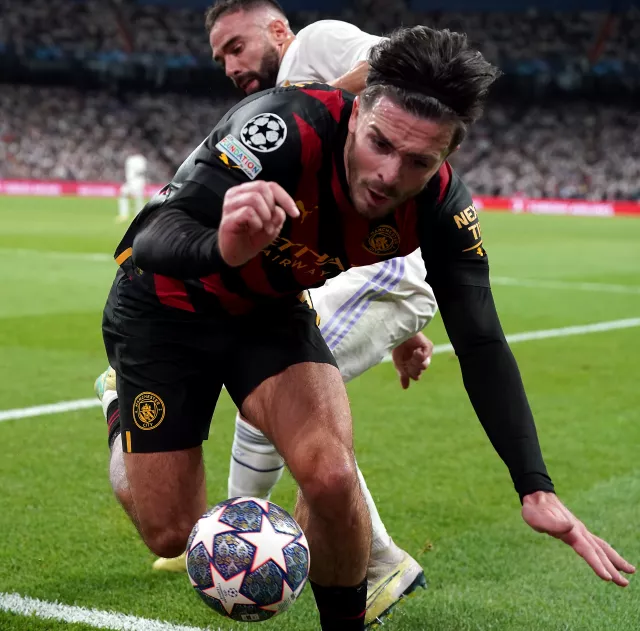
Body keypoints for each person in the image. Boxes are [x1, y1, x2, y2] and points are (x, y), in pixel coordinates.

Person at [99, 26, 634, 631]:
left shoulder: (438, 206)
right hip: (165, 306)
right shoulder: (282, 126)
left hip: (267, 314)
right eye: (379, 143)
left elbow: (481, 339)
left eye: (418, 161)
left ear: (446, 158)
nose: (388, 174)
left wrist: (534, 487)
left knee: (330, 476)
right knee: (172, 533)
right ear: (356, 115)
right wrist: (222, 248)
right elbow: (153, 237)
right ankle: (119, 404)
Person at [98, 1, 436, 624]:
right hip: (193, 303)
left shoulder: (318, 46)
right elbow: (172, 228)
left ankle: (363, 562)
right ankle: (126, 407)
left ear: (278, 31)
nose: (229, 66)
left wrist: (334, 113)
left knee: (319, 459)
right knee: (171, 530)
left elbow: (413, 72)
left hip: (306, 296)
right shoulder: (268, 120)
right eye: (219, 57)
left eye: (236, 47)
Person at [117, 151, 148, 223]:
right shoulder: (132, 159)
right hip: (131, 182)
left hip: (137, 182)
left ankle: (138, 216)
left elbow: (141, 171)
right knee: (123, 194)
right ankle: (124, 215)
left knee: (138, 199)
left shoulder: (139, 159)